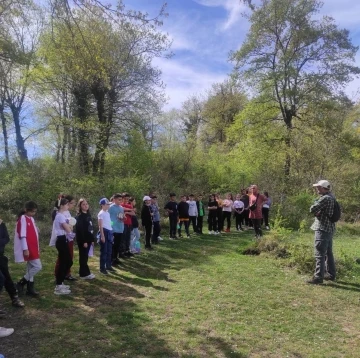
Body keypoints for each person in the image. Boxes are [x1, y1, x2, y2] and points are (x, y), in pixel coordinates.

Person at [307, 180, 336, 284]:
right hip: (329, 228)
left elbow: (312, 209)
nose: (317, 189)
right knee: (328, 253)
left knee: (320, 253)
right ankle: (331, 274)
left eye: (319, 187)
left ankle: (318, 277)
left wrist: (316, 207)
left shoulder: (325, 198)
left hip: (322, 228)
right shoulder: (332, 197)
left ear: (324, 188)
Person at [14, 201, 42, 297]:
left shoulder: (31, 219)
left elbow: (32, 231)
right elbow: (23, 234)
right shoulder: (22, 218)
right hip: (28, 247)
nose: (33, 213)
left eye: (34, 212)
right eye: (32, 211)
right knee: (38, 266)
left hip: (33, 246)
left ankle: (30, 290)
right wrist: (25, 249)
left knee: (30, 267)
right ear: (26, 210)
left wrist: (36, 229)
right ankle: (20, 283)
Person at [50, 194, 77, 281]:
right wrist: (70, 227)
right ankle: (59, 275)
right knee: (63, 257)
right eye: (70, 203)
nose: (71, 205)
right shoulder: (60, 214)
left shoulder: (65, 212)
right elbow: (66, 226)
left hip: (67, 237)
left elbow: (70, 224)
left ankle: (66, 273)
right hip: (63, 237)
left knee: (69, 257)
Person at [0, 218, 24, 308]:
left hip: (0, 255)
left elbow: (6, 238)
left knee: (7, 277)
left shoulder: (1, 224)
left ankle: (14, 298)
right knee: (1, 278)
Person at [75, 198, 95, 279]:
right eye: (83, 204)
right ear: (80, 206)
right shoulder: (79, 217)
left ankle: (84, 272)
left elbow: (90, 228)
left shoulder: (88, 215)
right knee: (83, 257)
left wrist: (92, 239)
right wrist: (84, 241)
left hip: (89, 239)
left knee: (85, 257)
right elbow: (80, 230)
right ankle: (84, 274)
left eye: (86, 204)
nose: (86, 205)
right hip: (83, 240)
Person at [97, 198, 115, 274]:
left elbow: (109, 222)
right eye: (107, 204)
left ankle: (108, 265)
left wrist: (112, 230)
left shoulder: (107, 213)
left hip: (109, 231)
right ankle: (102, 268)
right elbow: (100, 226)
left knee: (109, 251)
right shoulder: (101, 213)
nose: (108, 206)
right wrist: (102, 236)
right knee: (104, 251)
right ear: (102, 205)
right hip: (104, 232)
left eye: (108, 204)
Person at [108, 193, 125, 265]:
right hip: (113, 229)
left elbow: (122, 216)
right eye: (119, 199)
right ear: (114, 200)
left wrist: (123, 218)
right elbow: (107, 218)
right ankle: (111, 259)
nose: (120, 201)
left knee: (117, 245)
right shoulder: (110, 207)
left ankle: (115, 257)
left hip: (120, 228)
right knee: (113, 245)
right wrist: (110, 226)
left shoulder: (121, 207)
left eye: (121, 200)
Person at [121, 193, 135, 258]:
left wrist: (126, 212)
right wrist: (129, 211)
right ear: (122, 198)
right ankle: (122, 251)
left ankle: (127, 250)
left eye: (128, 199)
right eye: (125, 198)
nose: (126, 200)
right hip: (123, 223)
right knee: (123, 238)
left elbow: (133, 213)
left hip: (129, 223)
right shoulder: (121, 205)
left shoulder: (129, 205)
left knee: (128, 238)